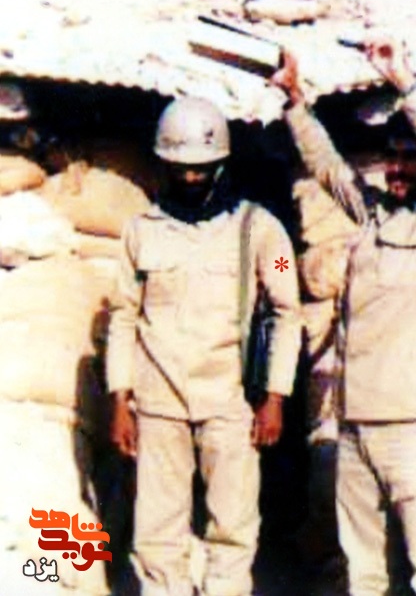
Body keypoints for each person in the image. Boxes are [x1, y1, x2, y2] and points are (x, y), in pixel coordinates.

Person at [271, 39, 416, 596]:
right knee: (365, 573)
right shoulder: (372, 218)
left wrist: (403, 82)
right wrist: (295, 103)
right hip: (355, 426)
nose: (397, 168)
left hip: (414, 431)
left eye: (410, 157)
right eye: (392, 156)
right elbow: (329, 169)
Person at [106, 97, 301, 596]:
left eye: (201, 169)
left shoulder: (262, 231)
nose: (191, 179)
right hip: (159, 402)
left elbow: (286, 306)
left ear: (220, 164)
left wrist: (275, 396)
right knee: (157, 532)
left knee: (232, 527)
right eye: (181, 169)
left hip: (230, 402)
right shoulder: (139, 232)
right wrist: (120, 399)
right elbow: (123, 315)